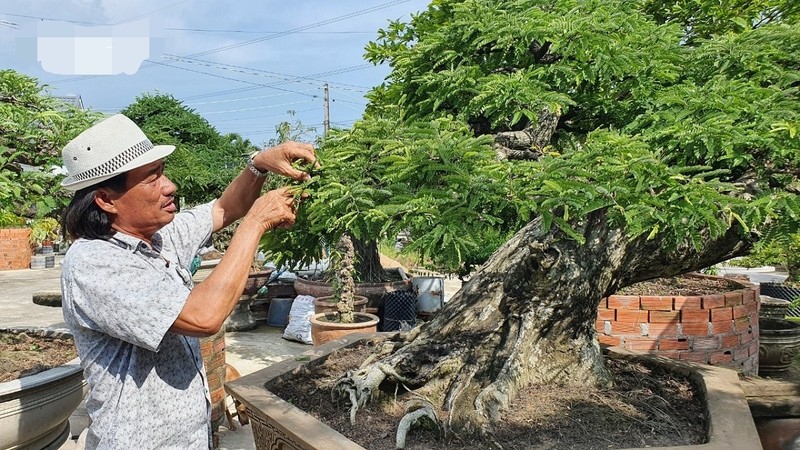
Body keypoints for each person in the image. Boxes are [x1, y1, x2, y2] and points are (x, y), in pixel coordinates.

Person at [58, 114, 316, 449]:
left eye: (162, 171)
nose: (169, 186)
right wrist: (256, 223)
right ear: (106, 200)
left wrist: (259, 165)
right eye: (152, 179)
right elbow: (204, 316)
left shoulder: (159, 237)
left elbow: (225, 207)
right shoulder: (94, 263)